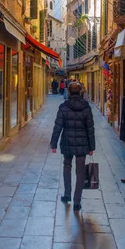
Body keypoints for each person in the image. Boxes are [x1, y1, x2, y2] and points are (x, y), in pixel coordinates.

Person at [50, 81, 95, 211]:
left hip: (67, 142)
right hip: (82, 143)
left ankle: (67, 194)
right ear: (80, 92)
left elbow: (58, 126)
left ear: (68, 92)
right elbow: (90, 128)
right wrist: (92, 147)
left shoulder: (63, 107)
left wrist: (54, 143)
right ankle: (77, 201)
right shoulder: (86, 107)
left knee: (67, 166)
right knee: (80, 172)